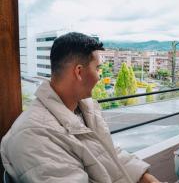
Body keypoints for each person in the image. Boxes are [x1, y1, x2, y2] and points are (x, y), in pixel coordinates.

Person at [1, 32, 159, 183]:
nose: (99, 76)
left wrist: (147, 178)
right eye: (97, 68)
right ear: (79, 72)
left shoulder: (85, 110)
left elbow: (108, 153)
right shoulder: (34, 136)